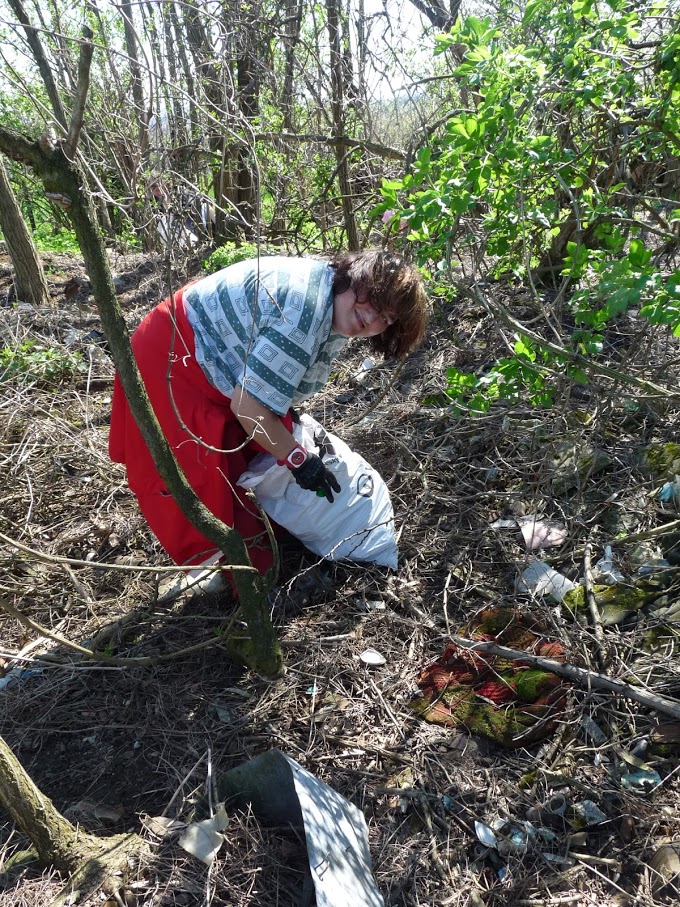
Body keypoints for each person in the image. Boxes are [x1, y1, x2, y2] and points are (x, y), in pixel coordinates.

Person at [109, 250, 428, 593]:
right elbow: (248, 407)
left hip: (212, 363)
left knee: (256, 449)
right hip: (174, 357)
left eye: (387, 318)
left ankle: (264, 547)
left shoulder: (332, 307)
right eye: (373, 300)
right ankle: (231, 575)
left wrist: (289, 445)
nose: (373, 317)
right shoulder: (304, 310)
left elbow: (266, 391)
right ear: (353, 276)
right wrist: (299, 459)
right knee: (203, 473)